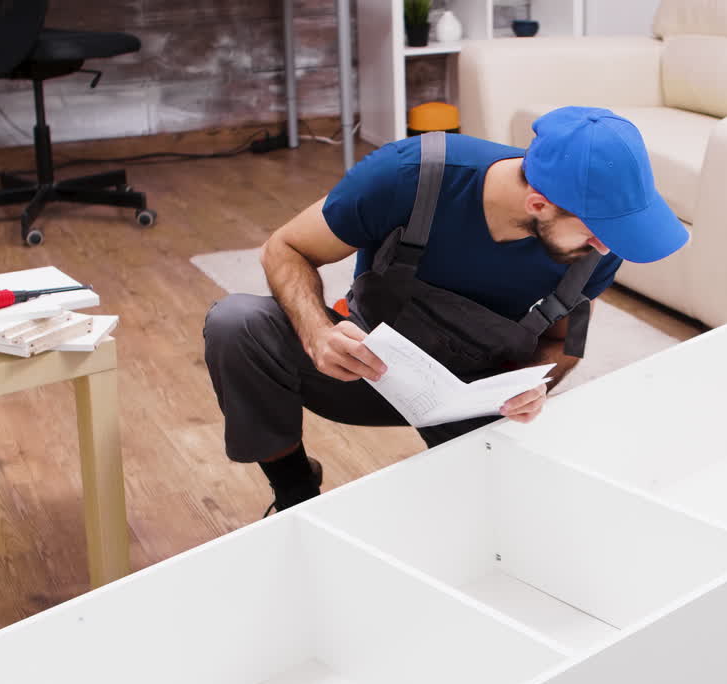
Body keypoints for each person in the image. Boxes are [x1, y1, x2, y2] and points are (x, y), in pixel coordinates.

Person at [203, 106, 688, 514]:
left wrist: (532, 387)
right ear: (538, 203)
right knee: (237, 324)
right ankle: (295, 492)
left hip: (476, 399)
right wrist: (317, 334)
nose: (605, 246)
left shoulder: (596, 250)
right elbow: (284, 247)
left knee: (528, 520)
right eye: (595, 230)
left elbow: (560, 345)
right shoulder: (411, 176)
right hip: (368, 368)